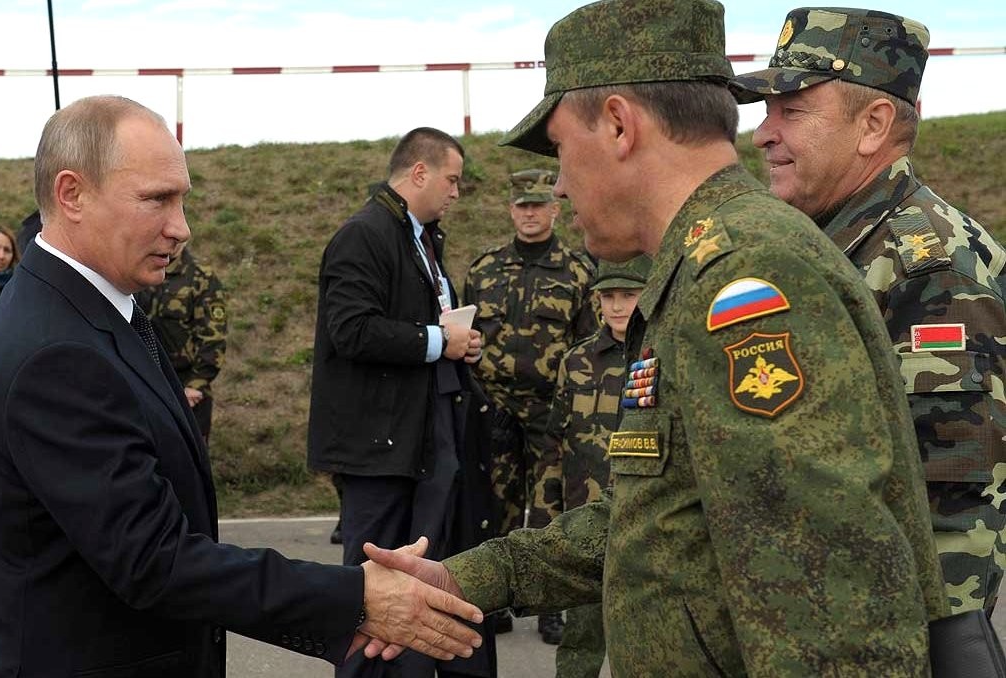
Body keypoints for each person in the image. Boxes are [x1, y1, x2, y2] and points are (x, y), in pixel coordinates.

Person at [362, 0, 949, 675]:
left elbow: (830, 599)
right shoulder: (705, 265)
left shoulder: (746, 277)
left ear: (617, 124)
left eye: (558, 148)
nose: (558, 183)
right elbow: (659, 515)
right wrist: (470, 578)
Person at [0, 96, 484, 678]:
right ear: (72, 195)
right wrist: (357, 598)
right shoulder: (56, 349)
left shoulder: (92, 307)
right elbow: (154, 559)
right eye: (156, 199)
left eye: (182, 198)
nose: (181, 227)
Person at [733, 8, 1006, 617]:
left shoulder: (929, 268)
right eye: (765, 111)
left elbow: (952, 512)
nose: (761, 133)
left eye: (791, 111)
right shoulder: (835, 241)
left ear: (873, 125)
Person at [307, 127, 494, 678]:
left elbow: (419, 322)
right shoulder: (364, 235)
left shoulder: (422, 238)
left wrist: (459, 343)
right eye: (452, 180)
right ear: (419, 173)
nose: (457, 193)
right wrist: (438, 341)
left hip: (423, 439)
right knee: (376, 588)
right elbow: (350, 329)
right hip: (380, 452)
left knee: (425, 574)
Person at [463, 168, 596, 642]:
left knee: (549, 507)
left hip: (551, 408)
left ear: (555, 210)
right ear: (511, 211)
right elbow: (466, 337)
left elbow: (589, 345)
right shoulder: (483, 269)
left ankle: (549, 607)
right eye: (522, 206)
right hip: (495, 403)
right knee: (497, 503)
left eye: (539, 205)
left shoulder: (580, 271)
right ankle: (494, 600)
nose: (530, 214)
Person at [539, 257, 648, 678]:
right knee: (581, 638)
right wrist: (545, 516)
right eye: (608, 297)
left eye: (628, 295)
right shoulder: (576, 361)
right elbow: (554, 445)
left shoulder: (664, 355)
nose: (618, 307)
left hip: (643, 521)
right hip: (585, 521)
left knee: (643, 638)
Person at [136, 242, 227, 443]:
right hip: (147, 383)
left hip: (186, 389)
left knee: (191, 460)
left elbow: (214, 338)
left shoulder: (201, 278)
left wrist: (196, 385)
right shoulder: (138, 271)